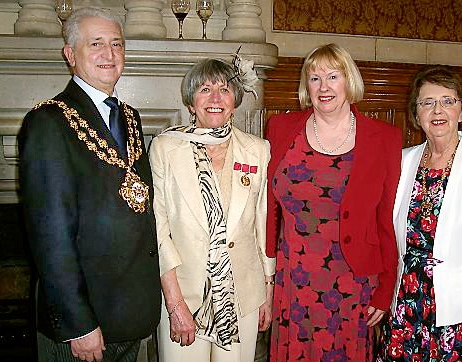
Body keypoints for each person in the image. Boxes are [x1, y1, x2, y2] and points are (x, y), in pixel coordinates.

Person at [18, 7, 161, 362]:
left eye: (117, 44)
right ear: (70, 54)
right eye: (95, 43)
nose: (109, 54)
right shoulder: (48, 122)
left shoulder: (129, 116)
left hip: (128, 315)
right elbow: (50, 235)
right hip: (83, 327)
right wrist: (78, 324)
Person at [265, 43, 402, 361]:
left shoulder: (384, 138)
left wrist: (385, 290)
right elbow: (269, 208)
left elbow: (387, 219)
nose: (323, 86)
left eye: (332, 76)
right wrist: (266, 275)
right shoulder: (281, 128)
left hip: (351, 283)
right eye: (314, 78)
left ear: (348, 81)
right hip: (293, 280)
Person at [378, 65, 462, 361]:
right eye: (428, 102)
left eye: (448, 101)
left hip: (459, 307)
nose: (438, 110)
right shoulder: (401, 161)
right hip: (406, 300)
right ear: (417, 113)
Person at [149, 57, 275, 362]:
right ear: (191, 103)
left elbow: (263, 224)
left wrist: (267, 292)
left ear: (235, 100)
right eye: (205, 89)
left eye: (224, 89)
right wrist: (175, 304)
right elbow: (158, 230)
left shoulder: (257, 150)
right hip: (185, 299)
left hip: (243, 296)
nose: (216, 98)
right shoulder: (165, 148)